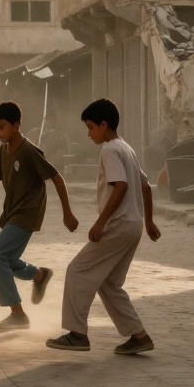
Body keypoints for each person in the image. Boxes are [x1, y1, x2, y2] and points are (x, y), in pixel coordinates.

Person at [47, 99, 160, 354]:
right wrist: (149, 220)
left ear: (103, 124)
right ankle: (139, 336)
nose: (88, 133)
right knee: (109, 283)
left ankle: (77, 334)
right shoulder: (126, 148)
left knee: (77, 270)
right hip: (133, 224)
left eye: (90, 127)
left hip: (118, 224)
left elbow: (121, 186)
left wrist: (100, 222)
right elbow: (145, 186)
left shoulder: (110, 150)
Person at [0, 102, 76, 331]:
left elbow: (56, 178)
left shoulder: (29, 151)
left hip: (27, 213)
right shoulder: (4, 150)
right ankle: (38, 275)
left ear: (17, 125)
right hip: (12, 211)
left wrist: (67, 213)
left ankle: (17, 314)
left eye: (1, 127)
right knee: (7, 260)